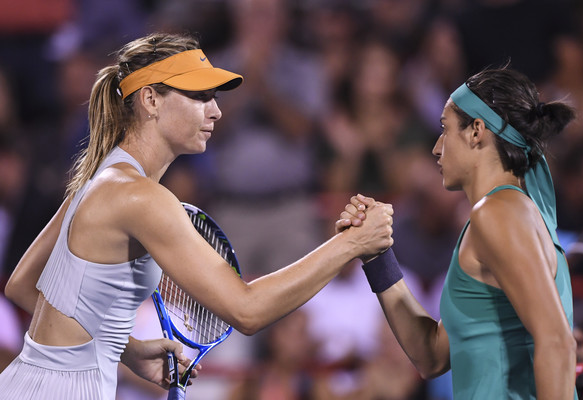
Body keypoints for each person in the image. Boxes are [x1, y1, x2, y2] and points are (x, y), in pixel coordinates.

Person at [0, 32, 394, 399]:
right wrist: (351, 244)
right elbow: (248, 310)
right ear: (150, 100)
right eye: (200, 96)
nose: (217, 111)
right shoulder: (142, 198)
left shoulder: (102, 177)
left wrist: (129, 348)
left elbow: (23, 283)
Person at [338, 66, 578, 398]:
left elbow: (557, 341)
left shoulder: (497, 213)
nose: (437, 147)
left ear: (476, 131)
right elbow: (432, 356)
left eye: (444, 128)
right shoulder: (502, 213)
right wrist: (377, 256)